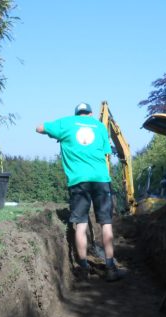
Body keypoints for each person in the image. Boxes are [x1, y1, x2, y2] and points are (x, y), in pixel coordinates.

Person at [36, 102, 124, 281]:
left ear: (77, 114)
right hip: (101, 179)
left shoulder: (66, 122)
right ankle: (110, 267)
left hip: (78, 181)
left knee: (81, 224)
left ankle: (84, 268)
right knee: (106, 224)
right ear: (90, 114)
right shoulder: (99, 126)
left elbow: (39, 128)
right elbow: (106, 152)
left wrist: (55, 134)